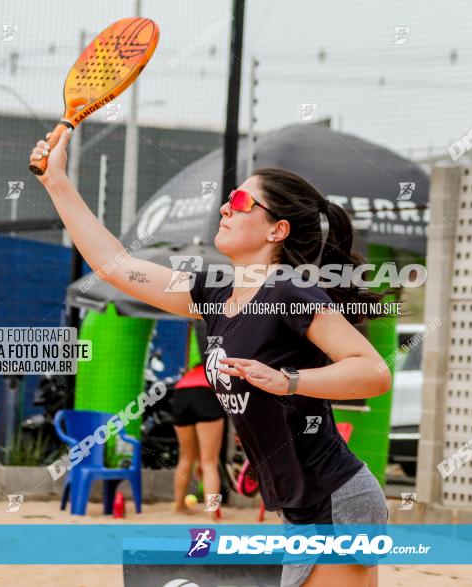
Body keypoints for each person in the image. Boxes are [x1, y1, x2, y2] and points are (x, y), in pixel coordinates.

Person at [31, 130, 392, 587]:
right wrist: (57, 183)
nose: (225, 206)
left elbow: (373, 371)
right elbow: (115, 265)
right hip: (299, 508)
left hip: (335, 498)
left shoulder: (287, 290)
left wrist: (290, 382)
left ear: (276, 229)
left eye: (241, 202)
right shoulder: (215, 291)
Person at [170, 320, 226, 519]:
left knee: (185, 458)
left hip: (182, 391)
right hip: (205, 390)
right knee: (209, 461)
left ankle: (179, 506)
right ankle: (212, 513)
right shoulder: (221, 337)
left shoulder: (194, 339)